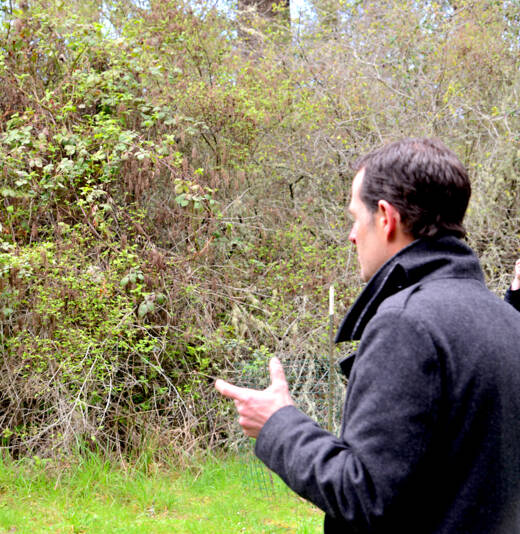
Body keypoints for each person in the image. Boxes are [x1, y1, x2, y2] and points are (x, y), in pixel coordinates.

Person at [215, 138, 520, 533]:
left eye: (354, 218)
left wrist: (277, 423)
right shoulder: (507, 320)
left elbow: (364, 494)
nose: (351, 235)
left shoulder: (407, 324)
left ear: (385, 217)